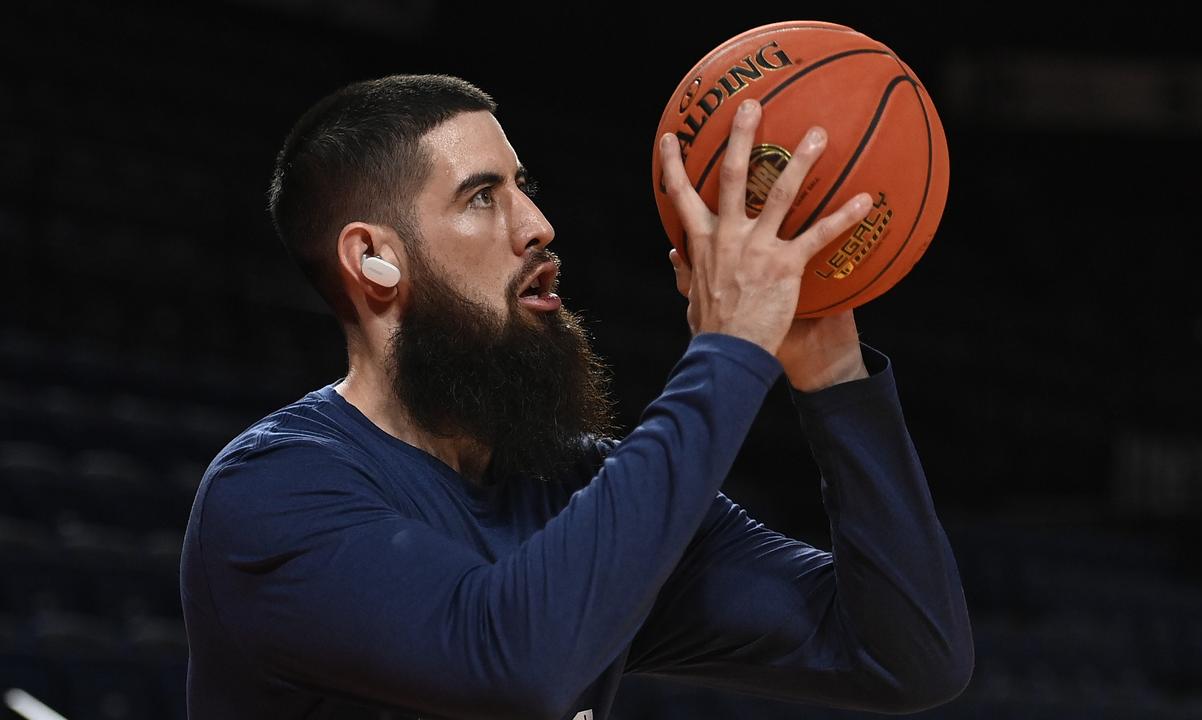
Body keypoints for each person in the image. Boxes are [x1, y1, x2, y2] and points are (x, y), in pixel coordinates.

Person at [179, 74, 973, 720]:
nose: (539, 225)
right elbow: (514, 664)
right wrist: (729, 351)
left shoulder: (573, 484)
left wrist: (831, 374)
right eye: (482, 197)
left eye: (526, 187)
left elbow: (909, 658)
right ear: (375, 259)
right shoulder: (272, 494)